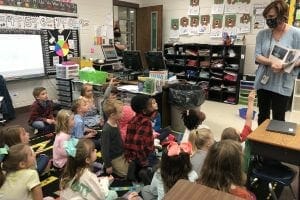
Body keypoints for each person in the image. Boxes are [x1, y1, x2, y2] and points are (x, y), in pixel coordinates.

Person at [254, 0, 300, 125]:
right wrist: (271, 63)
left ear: (283, 16)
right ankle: (261, 143)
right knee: (263, 116)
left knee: (279, 118)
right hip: (263, 82)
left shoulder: (296, 34)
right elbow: (257, 55)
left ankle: (275, 144)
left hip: (283, 82)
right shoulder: (262, 34)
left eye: (271, 17)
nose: (268, 20)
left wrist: (284, 66)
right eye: (267, 17)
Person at [125, 95, 156, 168]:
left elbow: (128, 140)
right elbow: (138, 142)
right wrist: (144, 161)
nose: (152, 107)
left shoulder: (132, 120)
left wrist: (128, 156)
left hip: (133, 156)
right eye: (150, 106)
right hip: (145, 156)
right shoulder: (146, 122)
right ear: (144, 111)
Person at [101, 99, 129, 177]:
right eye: (120, 112)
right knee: (126, 174)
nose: (123, 113)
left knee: (131, 169)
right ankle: (112, 169)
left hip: (121, 154)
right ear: (113, 115)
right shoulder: (106, 130)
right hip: (114, 158)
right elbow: (104, 150)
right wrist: (108, 165)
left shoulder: (116, 123)